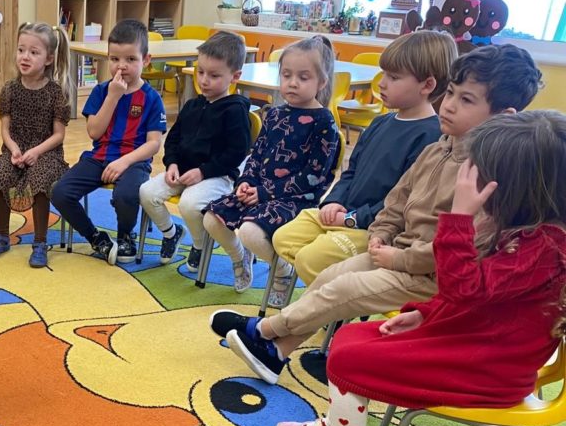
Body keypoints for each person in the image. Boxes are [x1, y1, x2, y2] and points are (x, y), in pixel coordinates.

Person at [274, 110, 566, 426]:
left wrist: (459, 219)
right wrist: (423, 313)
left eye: (481, 178)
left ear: (516, 189)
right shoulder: (528, 230)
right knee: (352, 337)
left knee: (348, 361)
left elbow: (464, 288)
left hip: (492, 369)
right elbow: (480, 297)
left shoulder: (546, 249)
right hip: (473, 341)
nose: (472, 187)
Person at [214, 43, 544, 384]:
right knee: (331, 277)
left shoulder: (489, 177)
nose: (448, 105)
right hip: (395, 253)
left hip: (430, 277)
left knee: (343, 289)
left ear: (504, 117)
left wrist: (398, 258)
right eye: (451, 93)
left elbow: (459, 249)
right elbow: (397, 201)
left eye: (467, 100)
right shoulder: (436, 149)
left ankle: (263, 330)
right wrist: (381, 234)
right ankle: (275, 353)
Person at [269, 30, 457, 305]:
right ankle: (326, 296)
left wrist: (353, 218)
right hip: (344, 213)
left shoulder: (430, 137)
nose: (381, 83)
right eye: (384, 74)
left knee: (311, 258)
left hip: (372, 227)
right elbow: (351, 171)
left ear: (427, 85)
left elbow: (403, 202)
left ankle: (324, 309)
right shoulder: (380, 123)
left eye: (394, 77)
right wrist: (335, 201)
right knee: (283, 236)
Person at [202, 35, 340, 293]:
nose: (292, 83)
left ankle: (283, 270)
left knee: (250, 232)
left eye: (303, 77)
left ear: (322, 82)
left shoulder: (324, 121)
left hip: (295, 200)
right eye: (286, 75)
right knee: (212, 219)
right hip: (258, 191)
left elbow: (313, 177)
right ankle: (239, 257)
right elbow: (256, 155)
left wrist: (264, 193)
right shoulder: (274, 114)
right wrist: (245, 182)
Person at [50, 19, 167, 264]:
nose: (121, 66)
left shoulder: (152, 98)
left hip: (133, 161)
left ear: (146, 60)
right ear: (107, 58)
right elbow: (94, 132)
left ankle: (125, 236)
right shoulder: (101, 91)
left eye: (131, 59)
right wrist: (113, 97)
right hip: (99, 157)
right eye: (115, 59)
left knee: (125, 194)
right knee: (60, 192)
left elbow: (154, 144)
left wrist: (124, 162)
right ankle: (95, 237)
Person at [138, 31, 252, 270]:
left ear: (235, 76)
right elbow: (173, 139)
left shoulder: (235, 111)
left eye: (214, 75)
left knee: (188, 205)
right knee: (147, 192)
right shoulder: (191, 105)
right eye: (200, 72)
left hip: (218, 176)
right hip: (183, 171)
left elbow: (236, 153)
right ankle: (171, 233)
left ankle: (200, 246)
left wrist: (203, 172)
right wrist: (172, 163)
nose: (204, 81)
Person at [0, 21, 71, 268]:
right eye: (21, 50)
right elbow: (5, 128)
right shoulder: (10, 89)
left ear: (49, 59)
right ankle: (2, 236)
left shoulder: (56, 93)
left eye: (34, 52)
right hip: (15, 149)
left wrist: (36, 152)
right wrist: (13, 148)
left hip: (47, 152)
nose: (25, 57)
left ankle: (40, 243)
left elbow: (59, 135)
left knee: (39, 179)